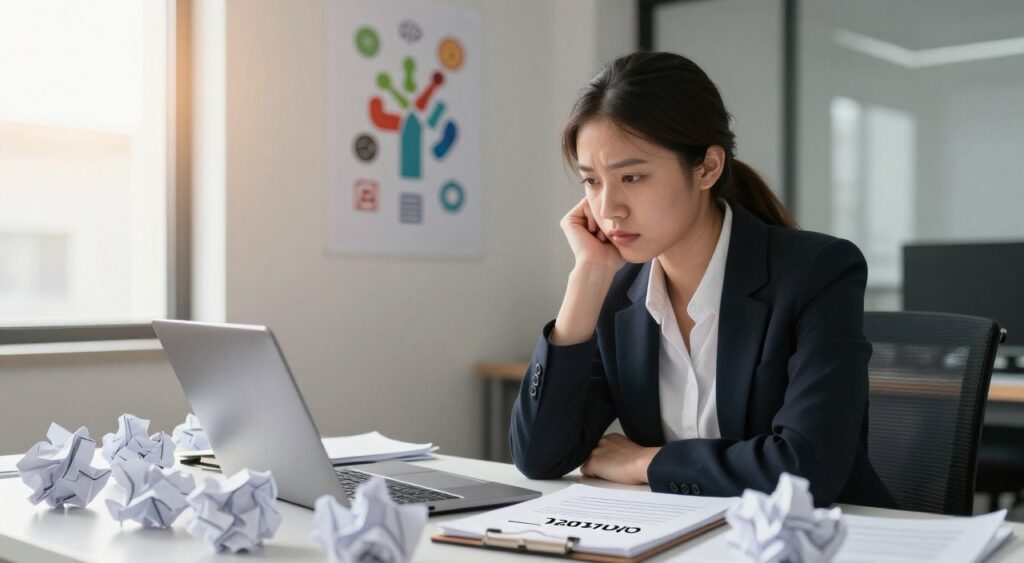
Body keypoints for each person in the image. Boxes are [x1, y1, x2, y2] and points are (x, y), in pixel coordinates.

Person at [509, 51, 895, 508]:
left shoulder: (818, 272)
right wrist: (586, 279)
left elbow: (806, 469)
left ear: (708, 167)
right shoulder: (615, 295)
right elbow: (539, 456)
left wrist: (646, 463)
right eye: (591, 182)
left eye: (631, 177)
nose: (608, 208)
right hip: (681, 540)